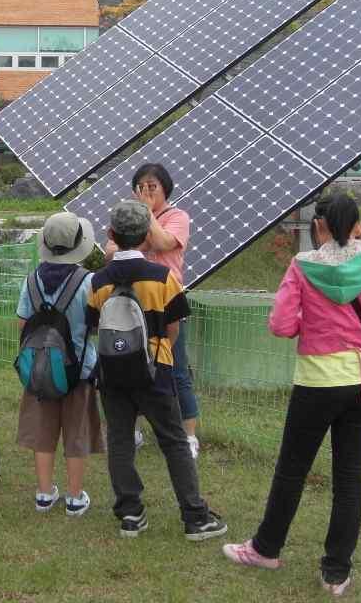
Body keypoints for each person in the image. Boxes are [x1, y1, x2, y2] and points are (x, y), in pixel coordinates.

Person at [222, 193, 361, 596]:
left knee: (292, 469)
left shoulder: (302, 267)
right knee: (349, 478)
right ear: (357, 226)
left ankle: (266, 549)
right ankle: (336, 572)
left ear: (319, 226)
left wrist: (313, 324)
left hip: (317, 382)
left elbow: (281, 324)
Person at [88, 200, 226, 540]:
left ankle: (130, 513)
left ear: (111, 235)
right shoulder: (163, 277)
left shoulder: (98, 281)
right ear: (147, 238)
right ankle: (195, 516)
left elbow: (94, 326)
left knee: (119, 439)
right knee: (174, 440)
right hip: (156, 370)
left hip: (111, 371)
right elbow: (173, 326)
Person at [105, 163, 198, 457]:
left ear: (165, 188)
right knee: (130, 366)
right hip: (133, 304)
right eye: (141, 187)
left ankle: (189, 436)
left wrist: (143, 220)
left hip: (167, 302)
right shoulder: (129, 218)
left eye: (152, 187)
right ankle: (132, 431)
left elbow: (162, 242)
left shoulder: (178, 217)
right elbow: (109, 251)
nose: (146, 192)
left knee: (175, 369)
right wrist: (141, 229)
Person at [16, 212, 104, 516]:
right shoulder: (88, 281)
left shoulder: (31, 281)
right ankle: (75, 496)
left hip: (40, 368)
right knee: (75, 431)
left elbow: (22, 322)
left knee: (44, 429)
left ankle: (43, 493)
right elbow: (96, 322)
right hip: (78, 370)